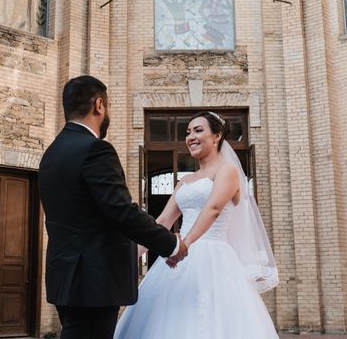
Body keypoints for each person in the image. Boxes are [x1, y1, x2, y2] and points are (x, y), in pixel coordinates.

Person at [38, 75, 188, 339]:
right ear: (99, 105)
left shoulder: (52, 153)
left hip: (65, 275)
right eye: (109, 106)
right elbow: (122, 211)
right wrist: (171, 244)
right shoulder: (96, 149)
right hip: (93, 278)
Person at [115, 111, 279, 339]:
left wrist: (183, 246)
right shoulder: (185, 181)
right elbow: (162, 222)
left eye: (198, 130)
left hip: (211, 255)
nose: (190, 136)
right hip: (179, 252)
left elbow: (212, 209)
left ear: (217, 136)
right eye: (188, 132)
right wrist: (130, 256)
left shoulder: (227, 171)